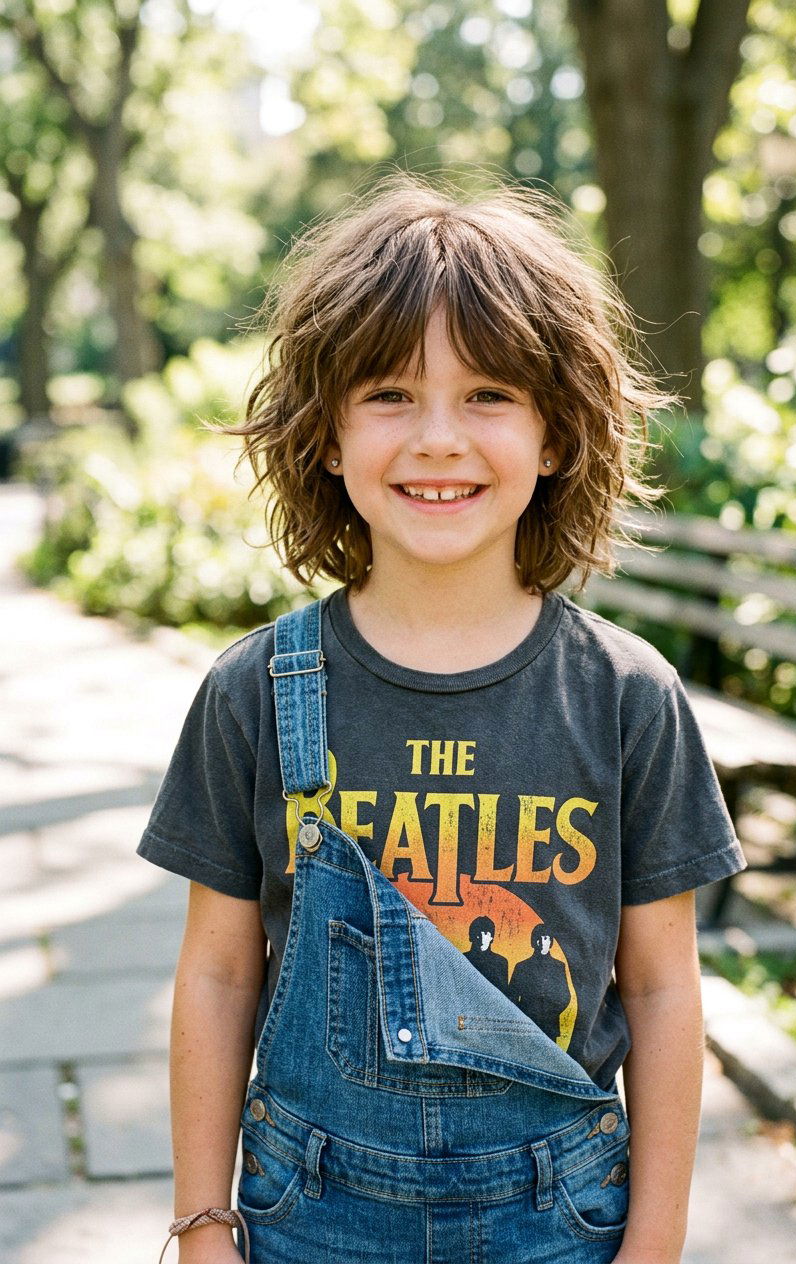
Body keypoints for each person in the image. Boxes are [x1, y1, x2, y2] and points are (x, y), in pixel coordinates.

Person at [140, 170, 747, 1264]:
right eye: (387, 395)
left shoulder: (625, 698)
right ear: (324, 436)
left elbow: (659, 986)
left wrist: (653, 1243)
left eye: (486, 396)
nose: (435, 438)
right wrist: (202, 1224)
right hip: (306, 1212)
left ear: (555, 435)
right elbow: (220, 970)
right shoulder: (254, 692)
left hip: (557, 1218)